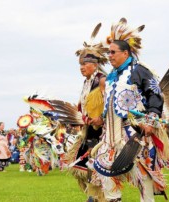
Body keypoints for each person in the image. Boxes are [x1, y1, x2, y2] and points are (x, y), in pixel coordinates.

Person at [91, 18, 169, 202]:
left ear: (125, 52)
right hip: (110, 135)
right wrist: (102, 118)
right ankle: (114, 199)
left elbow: (155, 95)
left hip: (134, 131)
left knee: (142, 174)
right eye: (108, 52)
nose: (109, 56)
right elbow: (113, 105)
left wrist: (151, 121)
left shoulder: (140, 71)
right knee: (104, 170)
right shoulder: (111, 77)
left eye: (113, 52)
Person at [66, 22, 108, 201]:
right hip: (89, 131)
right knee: (82, 167)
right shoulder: (87, 82)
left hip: (102, 133)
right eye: (80, 64)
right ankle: (94, 196)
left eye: (84, 64)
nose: (81, 67)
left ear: (94, 64)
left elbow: (108, 105)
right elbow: (82, 106)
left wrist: (101, 119)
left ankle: (99, 197)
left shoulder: (102, 80)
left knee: (97, 167)